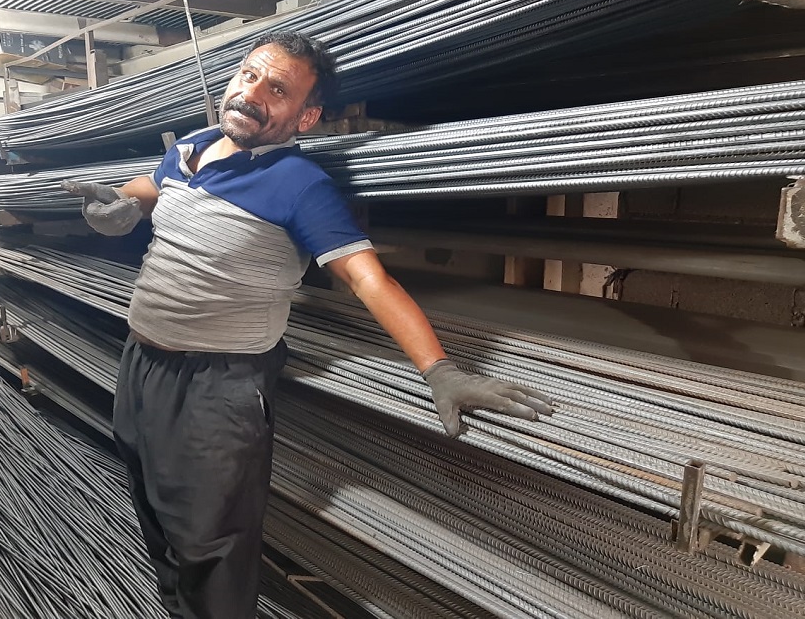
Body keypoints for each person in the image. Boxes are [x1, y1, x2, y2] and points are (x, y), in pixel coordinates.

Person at [62, 30, 553, 619]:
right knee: (155, 515)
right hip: (142, 365)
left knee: (209, 545)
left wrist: (439, 369)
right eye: (249, 76)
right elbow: (153, 187)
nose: (252, 94)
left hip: (218, 386)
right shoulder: (192, 147)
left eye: (277, 90)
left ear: (306, 116)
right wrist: (123, 204)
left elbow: (369, 280)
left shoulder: (299, 185)